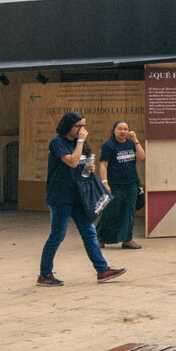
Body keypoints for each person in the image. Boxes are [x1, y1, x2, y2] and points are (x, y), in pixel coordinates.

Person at [38, 111, 124, 286]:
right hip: (61, 196)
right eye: (79, 126)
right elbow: (72, 161)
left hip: (78, 195)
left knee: (89, 232)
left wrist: (89, 168)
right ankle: (44, 274)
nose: (82, 129)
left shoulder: (81, 144)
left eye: (84, 126)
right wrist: (80, 142)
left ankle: (102, 269)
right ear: (69, 126)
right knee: (57, 235)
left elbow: (81, 165)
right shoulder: (58, 143)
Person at [97, 120, 145, 249]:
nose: (123, 131)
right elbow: (103, 165)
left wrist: (135, 140)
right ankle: (99, 236)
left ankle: (127, 239)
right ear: (114, 130)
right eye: (120, 129)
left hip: (131, 184)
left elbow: (142, 156)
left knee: (129, 212)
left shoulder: (130, 143)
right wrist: (105, 183)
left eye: (125, 129)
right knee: (112, 211)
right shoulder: (109, 145)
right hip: (115, 184)